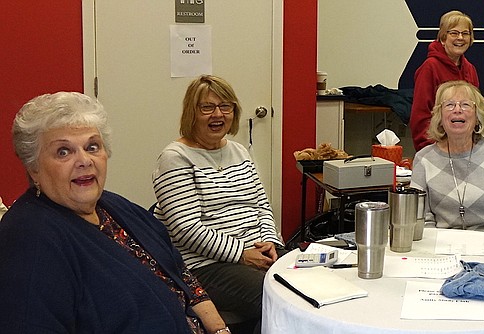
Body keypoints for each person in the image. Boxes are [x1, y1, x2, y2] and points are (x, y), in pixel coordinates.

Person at [0, 92, 229, 333]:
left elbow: (178, 270)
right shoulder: (28, 240)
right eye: (64, 152)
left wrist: (219, 329)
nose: (84, 160)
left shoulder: (114, 206)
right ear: (33, 168)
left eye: (92, 147)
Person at [152, 75, 285, 331]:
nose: (218, 114)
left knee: (309, 281)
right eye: (207, 107)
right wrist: (242, 255)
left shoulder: (239, 151)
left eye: (226, 107)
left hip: (255, 252)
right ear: (192, 113)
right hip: (205, 266)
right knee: (278, 297)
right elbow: (187, 229)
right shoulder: (175, 158)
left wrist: (270, 241)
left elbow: (261, 205)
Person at [411, 80, 484, 236]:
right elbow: (420, 218)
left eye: (465, 104)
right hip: (443, 248)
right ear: (439, 116)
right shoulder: (423, 159)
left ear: (477, 117)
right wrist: (435, 248)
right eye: (449, 105)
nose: (457, 110)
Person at [410, 10, 480, 151]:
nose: (460, 38)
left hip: (466, 149)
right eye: (454, 33)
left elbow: (476, 111)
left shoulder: (470, 69)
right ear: (443, 38)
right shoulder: (429, 68)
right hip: (437, 149)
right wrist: (431, 151)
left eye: (465, 33)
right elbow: (420, 116)